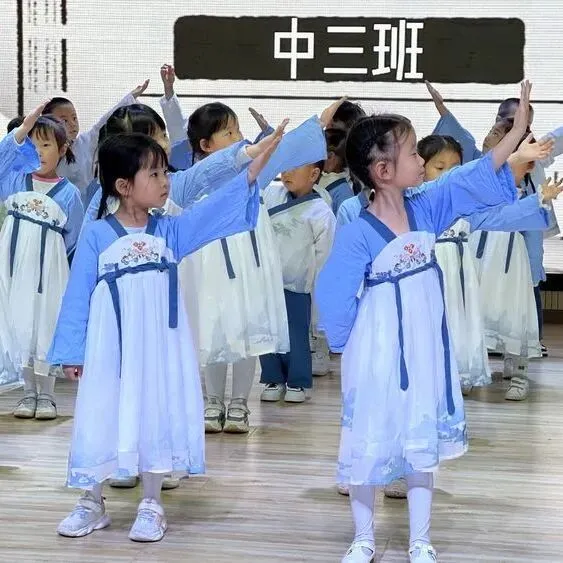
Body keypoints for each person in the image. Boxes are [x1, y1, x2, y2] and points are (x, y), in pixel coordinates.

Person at [315, 82, 532, 563]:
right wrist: (352, 345)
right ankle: (363, 538)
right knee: (369, 439)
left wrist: (515, 134)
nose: (420, 160)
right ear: (383, 171)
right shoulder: (357, 232)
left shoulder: (427, 207)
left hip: (423, 351)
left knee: (419, 441)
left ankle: (420, 539)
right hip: (377, 353)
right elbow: (333, 294)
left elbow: (471, 177)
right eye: (413, 153)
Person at [48, 130, 280, 542]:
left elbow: (220, 207)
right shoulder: (98, 235)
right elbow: (77, 294)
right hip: (109, 349)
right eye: (153, 174)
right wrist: (72, 350)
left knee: (155, 410)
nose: (165, 181)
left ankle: (152, 502)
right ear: (123, 186)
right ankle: (91, 500)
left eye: (164, 172)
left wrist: (255, 162)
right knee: (101, 411)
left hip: (158, 346)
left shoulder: (170, 231)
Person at [0, 103, 83, 420]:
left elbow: (73, 238)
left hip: (49, 274)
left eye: (46, 144)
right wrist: (21, 131)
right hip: (13, 273)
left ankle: (47, 395)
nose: (38, 151)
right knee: (19, 326)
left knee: (46, 327)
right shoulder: (13, 181)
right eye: (32, 145)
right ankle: (28, 393)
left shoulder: (69, 193)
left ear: (62, 150)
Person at [259, 160, 335, 403]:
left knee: (296, 334)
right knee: (268, 332)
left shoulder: (321, 211)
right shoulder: (271, 195)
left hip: (298, 283)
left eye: (295, 167)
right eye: (285, 166)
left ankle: (297, 381)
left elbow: (325, 254)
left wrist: (319, 288)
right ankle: (272, 378)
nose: (286, 172)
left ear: (314, 174)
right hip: (268, 280)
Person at [42, 80, 149, 195]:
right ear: (49, 123)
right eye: (65, 120)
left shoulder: (86, 142)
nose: (73, 124)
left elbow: (105, 121)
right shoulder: (41, 152)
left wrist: (130, 97)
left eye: (74, 118)